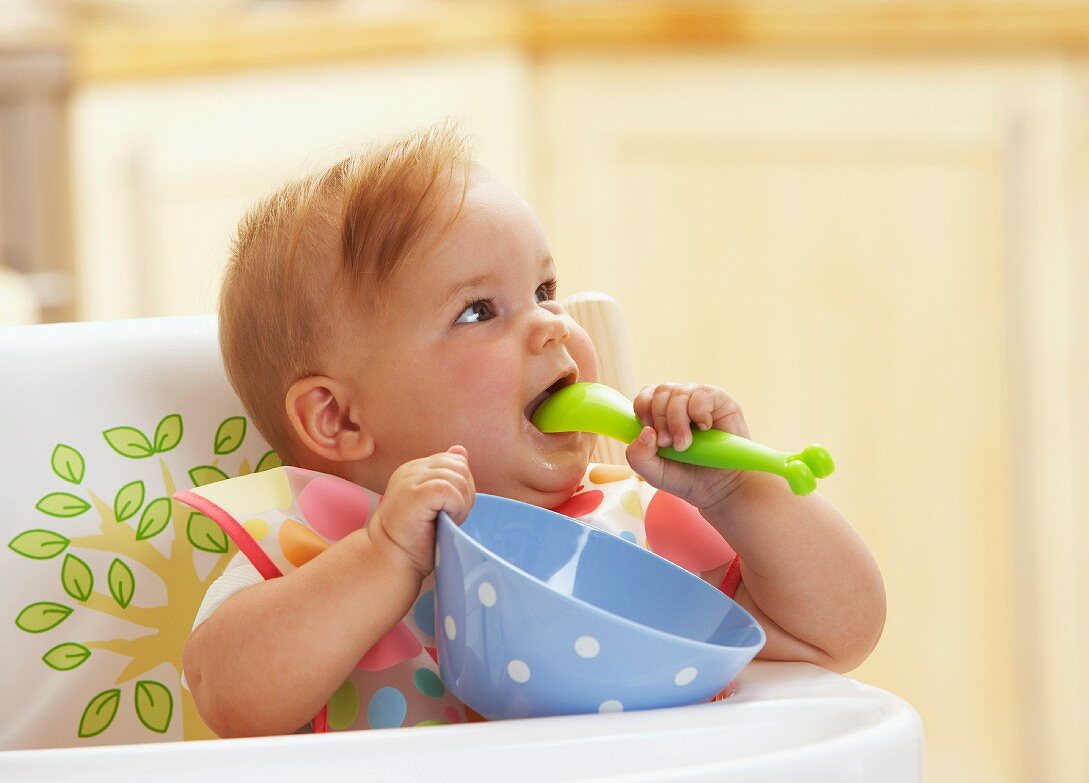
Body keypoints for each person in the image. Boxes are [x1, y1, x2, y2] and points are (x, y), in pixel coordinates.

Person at [177, 124, 886, 738]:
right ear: (340, 418)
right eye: (479, 310)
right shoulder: (313, 551)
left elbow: (838, 632)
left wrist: (742, 494)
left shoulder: (631, 531)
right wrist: (384, 555)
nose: (553, 323)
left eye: (544, 291)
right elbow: (230, 698)